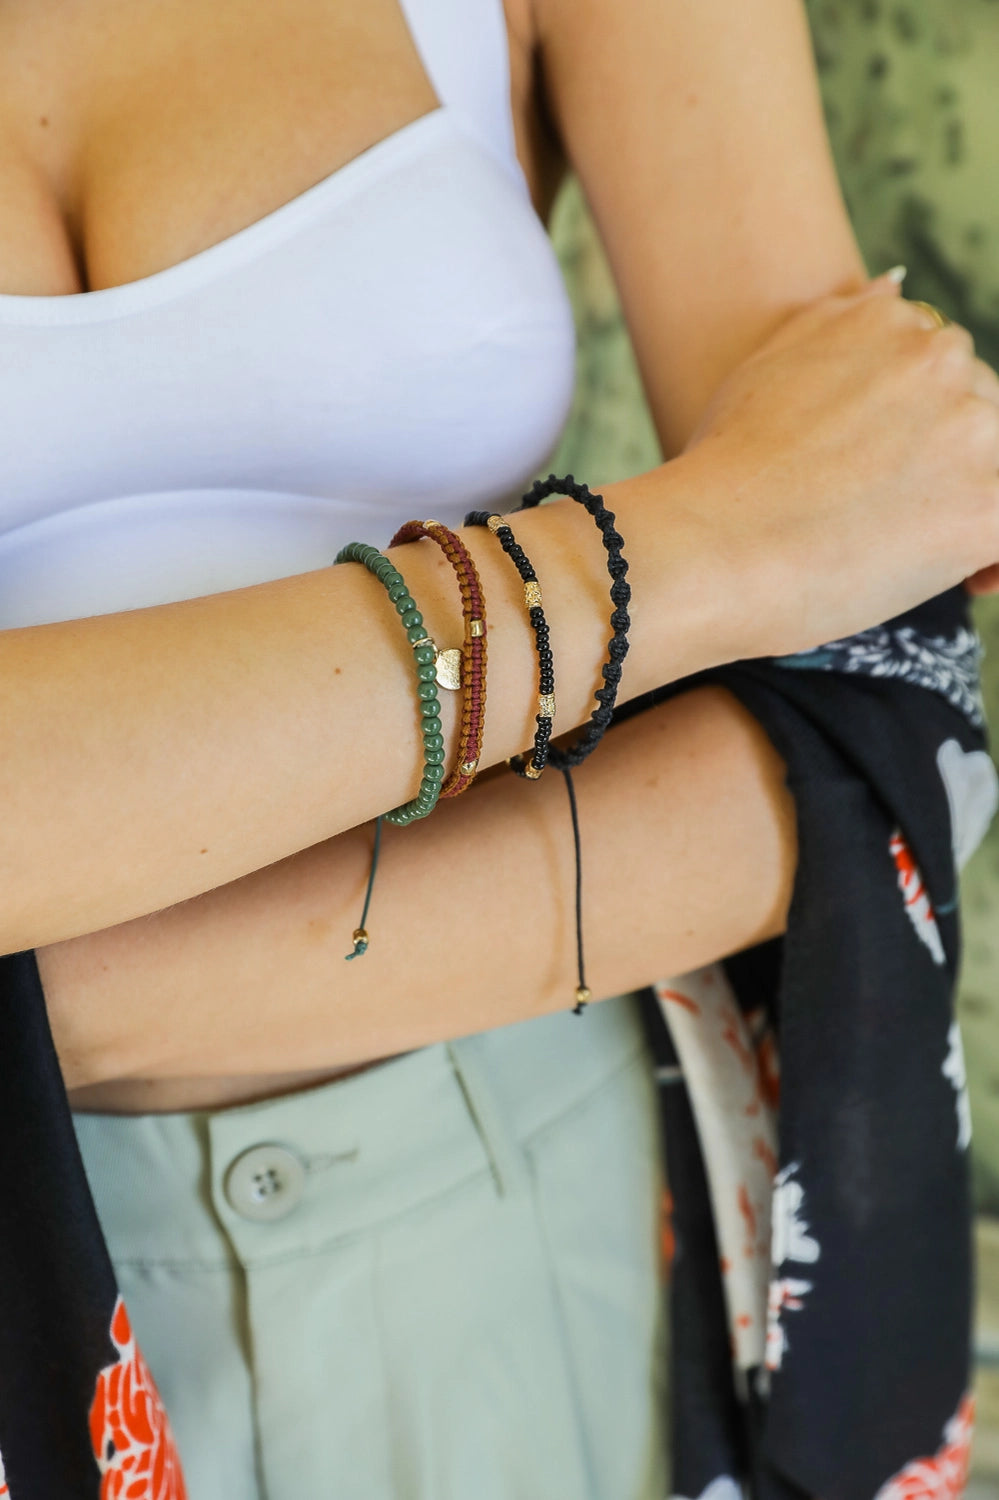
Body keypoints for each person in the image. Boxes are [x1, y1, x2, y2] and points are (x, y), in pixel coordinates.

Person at [0, 0, 997, 1497]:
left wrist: (69, 985)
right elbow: (809, 537)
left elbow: (881, 698)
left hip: (521, 1217)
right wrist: (681, 555)